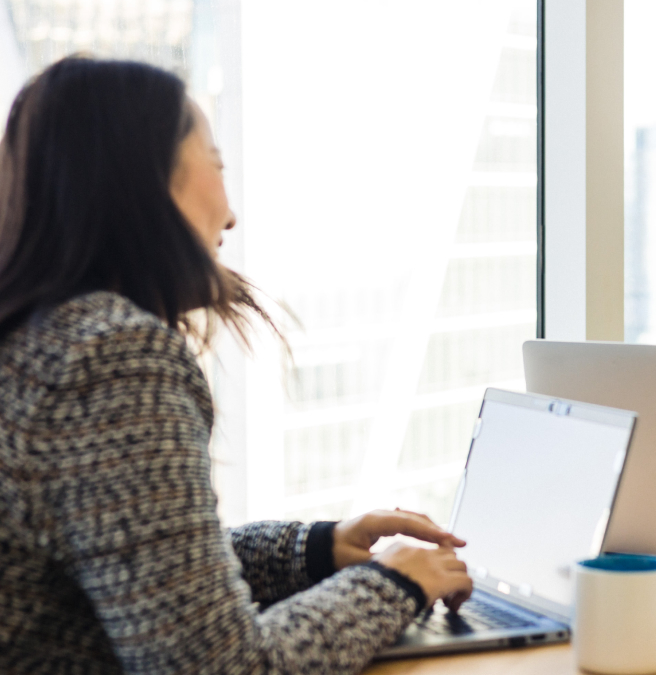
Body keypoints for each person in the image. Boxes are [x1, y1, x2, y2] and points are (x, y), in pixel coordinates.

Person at [0, 57, 473, 673]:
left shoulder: (40, 339)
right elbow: (217, 665)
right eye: (217, 166)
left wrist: (315, 551)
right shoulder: (112, 357)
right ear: (145, 183)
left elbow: (134, 569)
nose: (230, 214)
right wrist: (397, 584)